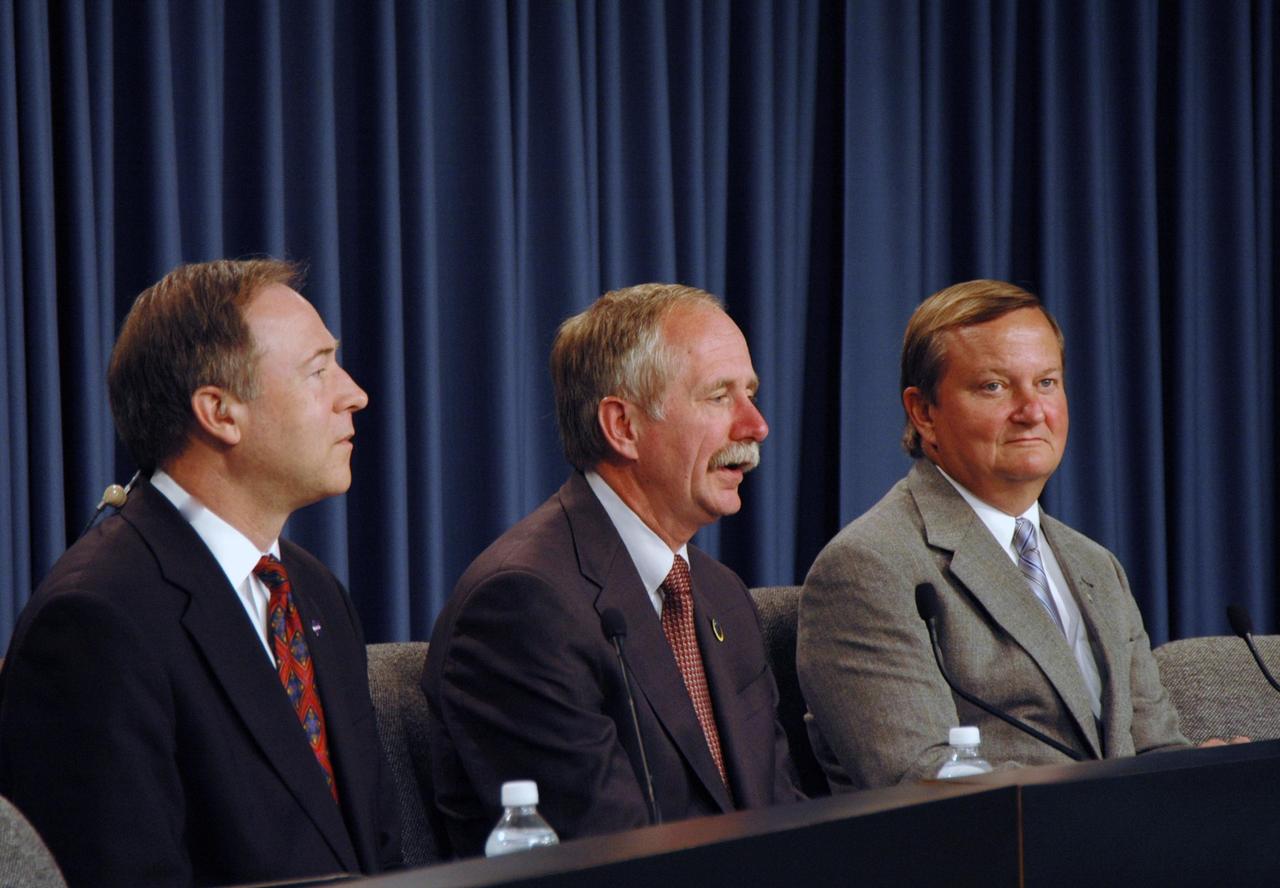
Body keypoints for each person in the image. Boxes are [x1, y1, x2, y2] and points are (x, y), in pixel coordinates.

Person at [0, 260, 401, 885]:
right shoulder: (95, 621)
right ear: (220, 412)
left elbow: (374, 849)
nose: (354, 393)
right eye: (318, 371)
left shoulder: (313, 590)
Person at [422, 283, 801, 857]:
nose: (756, 426)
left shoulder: (721, 594)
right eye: (720, 397)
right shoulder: (523, 604)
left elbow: (781, 811)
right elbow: (603, 852)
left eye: (750, 393)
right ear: (623, 426)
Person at [797, 279, 1192, 791]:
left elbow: (1157, 747)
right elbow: (923, 780)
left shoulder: (1095, 565)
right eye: (995, 387)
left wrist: (1196, 780)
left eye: (1047, 382)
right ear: (924, 412)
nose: (1032, 411)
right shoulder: (870, 567)